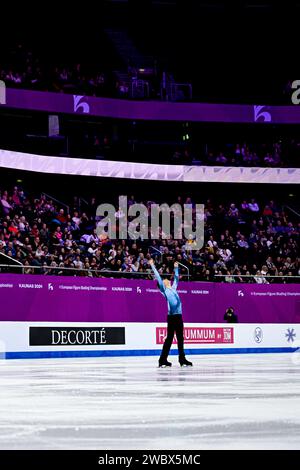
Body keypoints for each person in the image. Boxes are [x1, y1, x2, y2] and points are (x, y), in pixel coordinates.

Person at [149, 259, 193, 368]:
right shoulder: (164, 290)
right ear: (162, 284)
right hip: (172, 317)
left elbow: (177, 279)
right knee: (169, 338)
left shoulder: (173, 288)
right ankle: (162, 360)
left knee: (180, 338)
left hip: (178, 316)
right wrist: (152, 265)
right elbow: (158, 277)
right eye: (164, 280)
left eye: (166, 279)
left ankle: (182, 359)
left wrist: (176, 268)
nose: (166, 279)